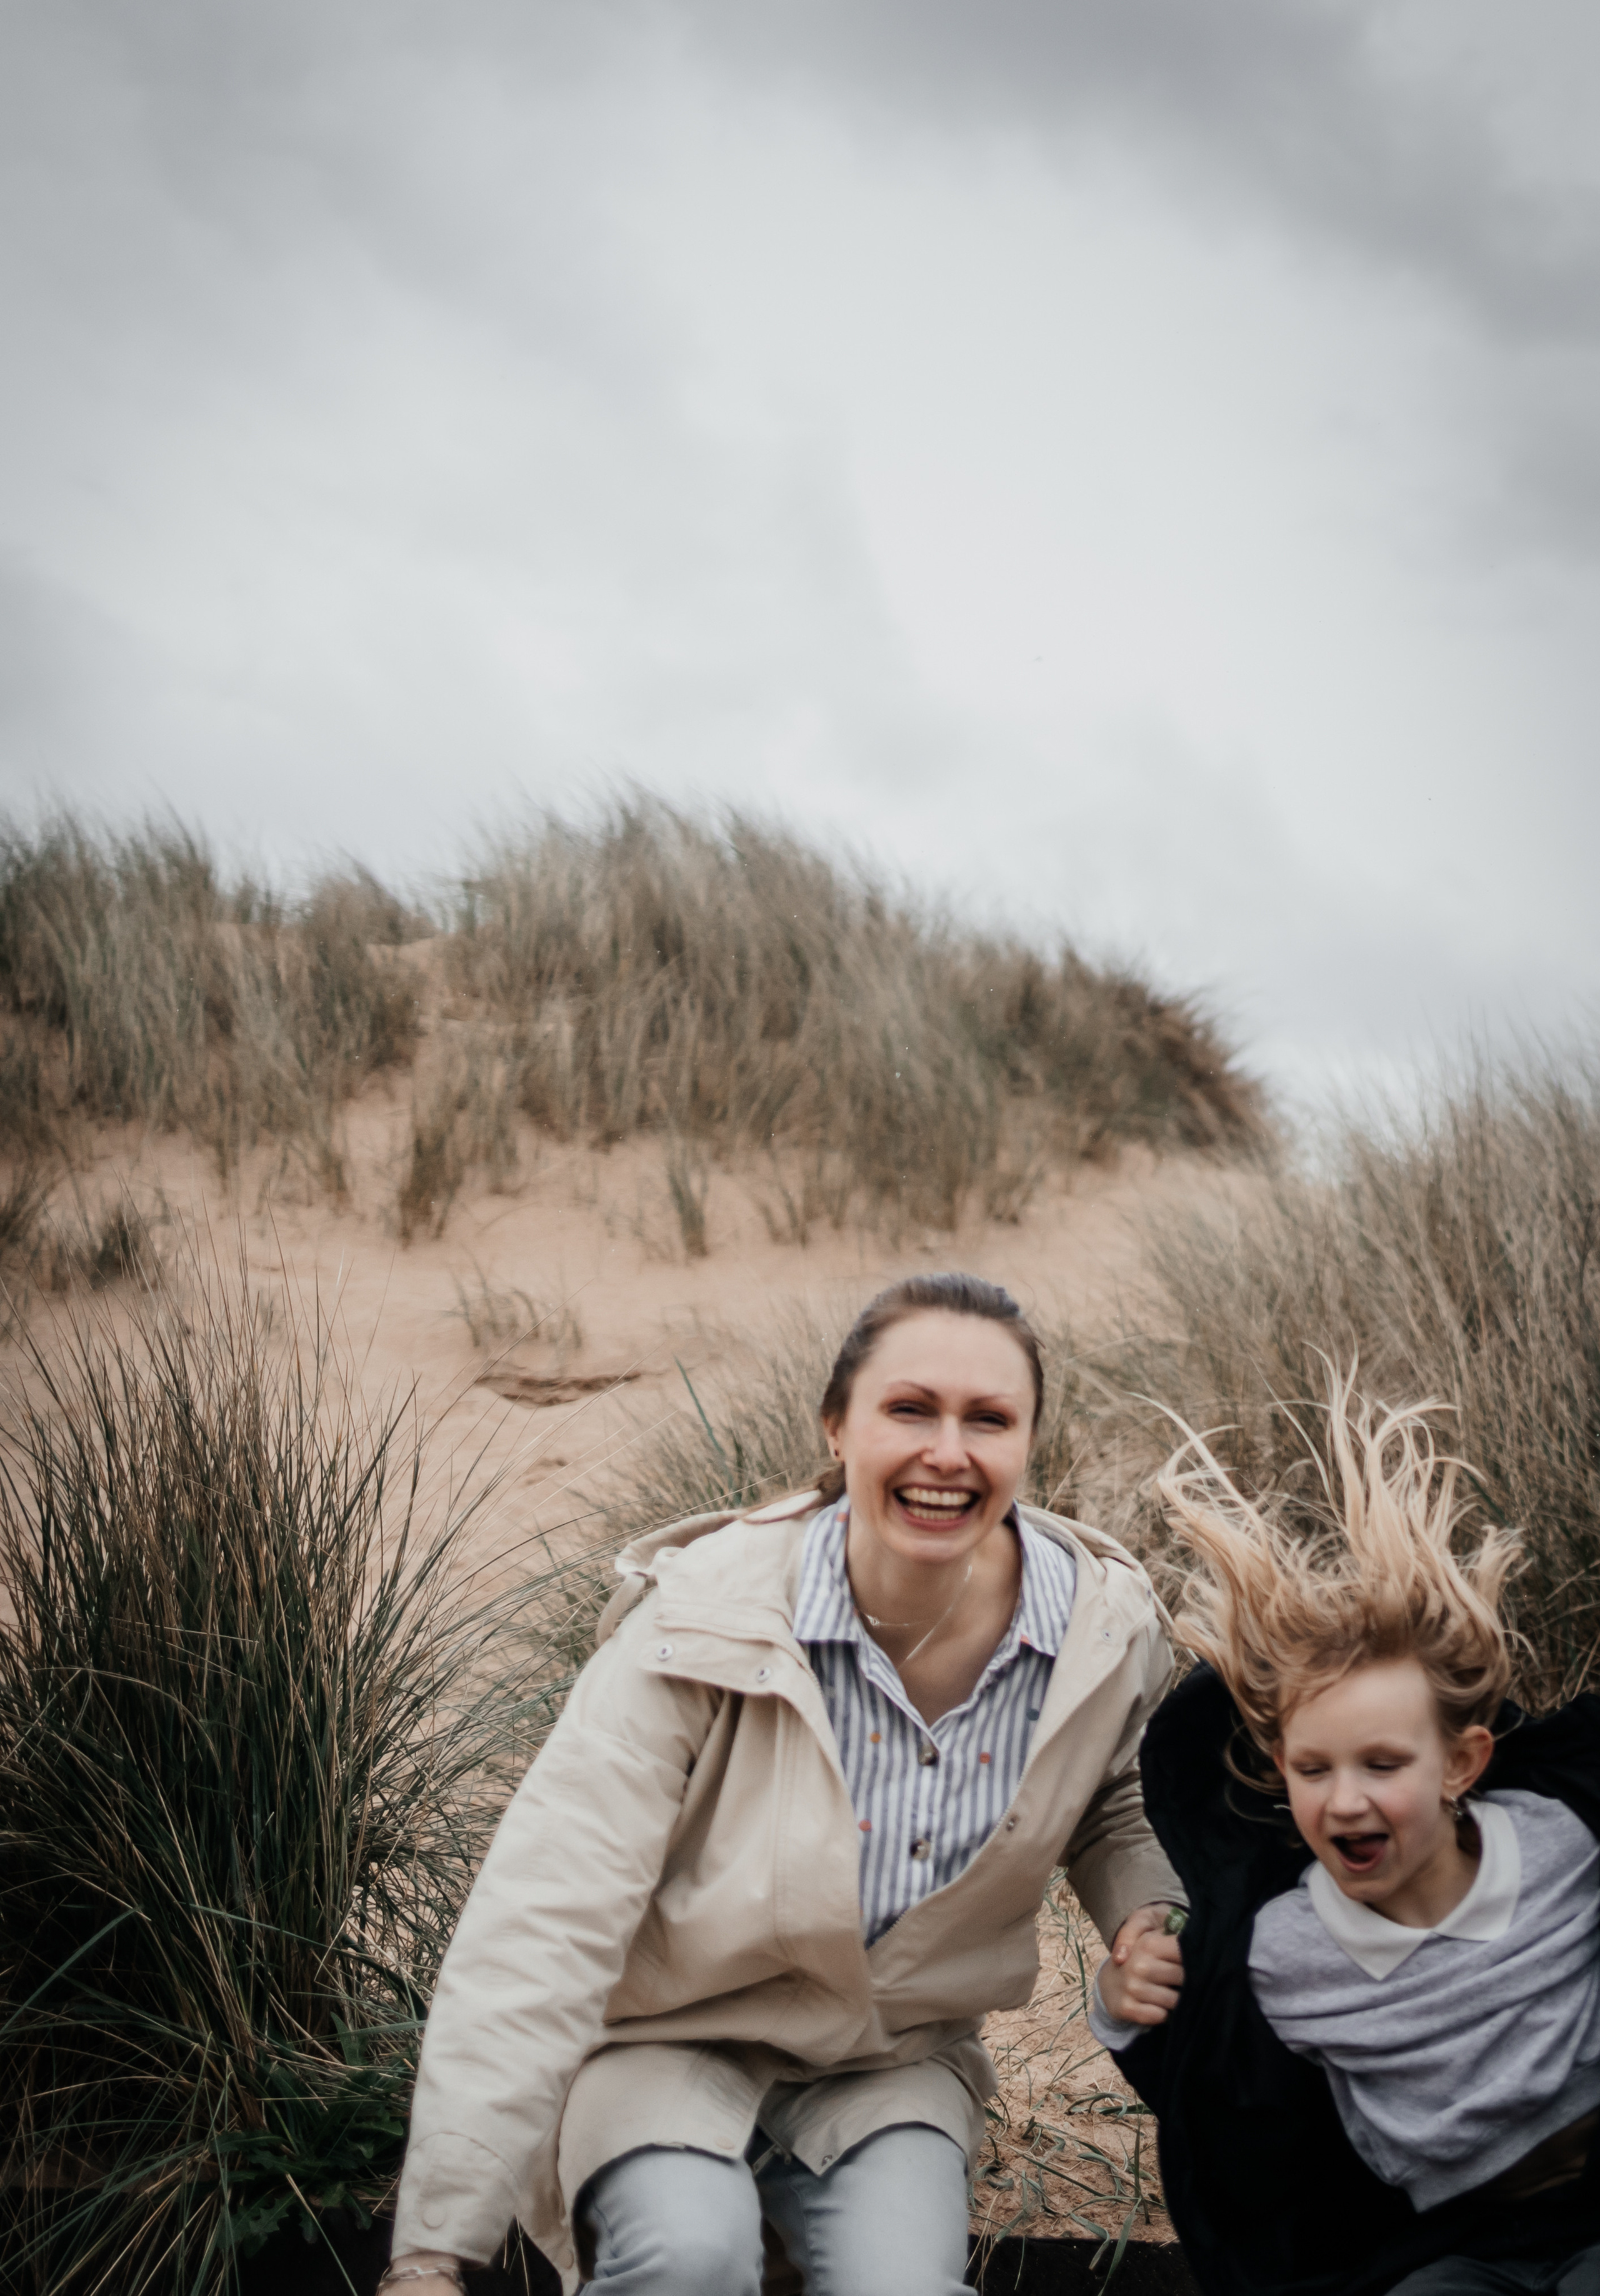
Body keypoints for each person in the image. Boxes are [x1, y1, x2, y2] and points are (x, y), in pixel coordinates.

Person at [378, 1272, 1185, 2296]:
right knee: (690, 2253)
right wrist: (434, 2248)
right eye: (909, 1409)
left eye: (989, 1417)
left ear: (1028, 1442)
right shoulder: (702, 1618)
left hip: (892, 2056)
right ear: (837, 1429)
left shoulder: (1101, 1633)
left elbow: (1114, 1792)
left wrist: (1144, 1913)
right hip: (669, 2029)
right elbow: (546, 1915)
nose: (949, 1450)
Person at [1093, 1375, 1600, 2296]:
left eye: (1382, 1764)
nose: (1347, 1798)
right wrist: (1127, 2001)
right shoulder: (1282, 1950)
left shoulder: (1566, 1841)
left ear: (1460, 1762)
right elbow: (1214, 2093)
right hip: (1448, 2245)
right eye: (1315, 1769)